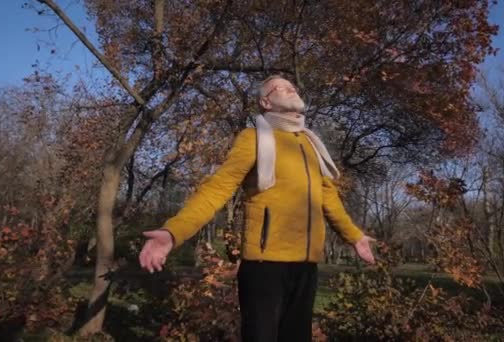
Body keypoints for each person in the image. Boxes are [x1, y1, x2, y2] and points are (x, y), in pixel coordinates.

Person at [139, 75, 376, 341]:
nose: (290, 89)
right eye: (281, 88)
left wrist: (354, 236)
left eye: (293, 87)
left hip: (306, 267)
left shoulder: (311, 145)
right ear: (265, 101)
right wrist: (173, 232)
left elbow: (328, 198)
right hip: (265, 266)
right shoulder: (253, 138)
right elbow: (217, 188)